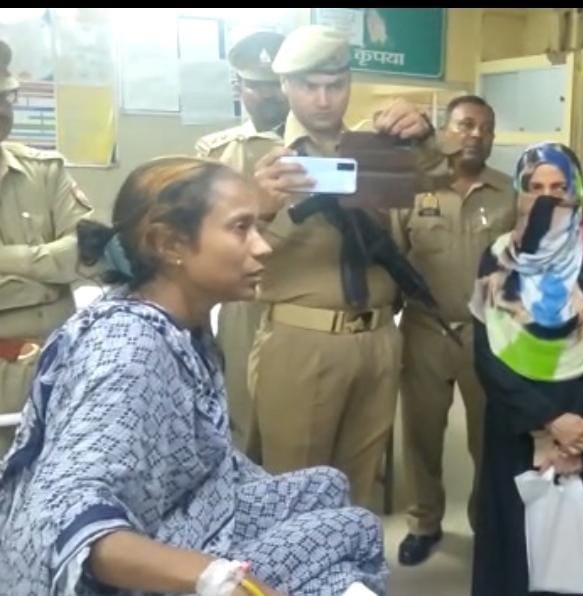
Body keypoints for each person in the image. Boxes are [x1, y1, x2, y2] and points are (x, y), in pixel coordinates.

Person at [0, 157, 387, 596]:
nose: (264, 247)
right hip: (114, 574)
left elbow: (208, 459)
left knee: (326, 486)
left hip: (179, 518)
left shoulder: (183, 327)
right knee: (354, 529)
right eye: (241, 228)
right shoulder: (131, 349)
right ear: (169, 245)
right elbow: (67, 519)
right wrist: (213, 578)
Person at [248, 25, 435, 505]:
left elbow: (445, 178)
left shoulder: (378, 149)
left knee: (358, 490)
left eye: (336, 85)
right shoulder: (249, 155)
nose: (324, 99)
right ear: (285, 85)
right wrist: (260, 211)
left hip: (378, 338)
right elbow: (215, 254)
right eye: (310, 86)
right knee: (295, 492)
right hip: (301, 340)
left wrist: (426, 135)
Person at [470, 142, 583, 596]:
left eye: (559, 187)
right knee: (513, 542)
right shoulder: (498, 257)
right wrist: (547, 420)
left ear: (577, 191)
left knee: (579, 548)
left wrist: (573, 428)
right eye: (535, 187)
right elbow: (486, 353)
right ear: (519, 193)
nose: (548, 198)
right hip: (515, 419)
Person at [392, 95, 516, 565]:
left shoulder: (508, 193)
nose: (475, 135)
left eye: (486, 128)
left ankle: (487, 522)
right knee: (421, 434)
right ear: (445, 130)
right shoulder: (415, 188)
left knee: (488, 437)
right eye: (465, 125)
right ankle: (423, 522)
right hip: (426, 329)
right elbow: (392, 255)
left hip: (489, 333)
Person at [194, 29, 288, 457]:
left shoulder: (321, 146)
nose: (271, 95)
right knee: (243, 417)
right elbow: (198, 228)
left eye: (277, 84)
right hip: (245, 298)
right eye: (258, 86)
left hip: (309, 295)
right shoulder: (216, 152)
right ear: (238, 88)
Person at [0, 39, 94, 452]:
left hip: (56, 367)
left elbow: (90, 252)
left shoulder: (44, 170)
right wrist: (49, 269)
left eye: (5, 98)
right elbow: (66, 258)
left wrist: (9, 261)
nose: (2, 110)